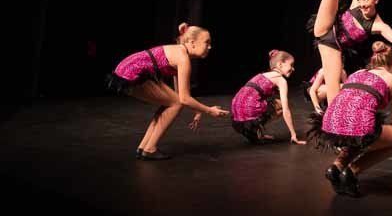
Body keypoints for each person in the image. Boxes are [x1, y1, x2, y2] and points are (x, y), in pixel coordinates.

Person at [307, 42, 392, 197]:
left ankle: (336, 167)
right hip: (356, 124)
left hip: (329, 123)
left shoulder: (357, 73)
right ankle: (352, 171)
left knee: (359, 131)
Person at [106, 23, 229, 160]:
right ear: (192, 43)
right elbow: (183, 99)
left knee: (172, 102)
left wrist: (198, 110)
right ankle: (149, 149)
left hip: (129, 68)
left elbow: (181, 94)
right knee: (175, 104)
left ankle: (144, 147)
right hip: (132, 71)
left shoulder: (181, 53)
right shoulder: (183, 58)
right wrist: (209, 110)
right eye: (207, 42)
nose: (210, 47)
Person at [231, 50, 306, 145]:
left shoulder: (262, 75)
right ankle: (256, 131)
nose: (293, 69)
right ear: (280, 64)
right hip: (249, 108)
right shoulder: (280, 80)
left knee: (269, 103)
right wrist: (293, 134)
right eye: (291, 65)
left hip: (236, 110)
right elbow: (286, 110)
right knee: (282, 105)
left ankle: (256, 133)